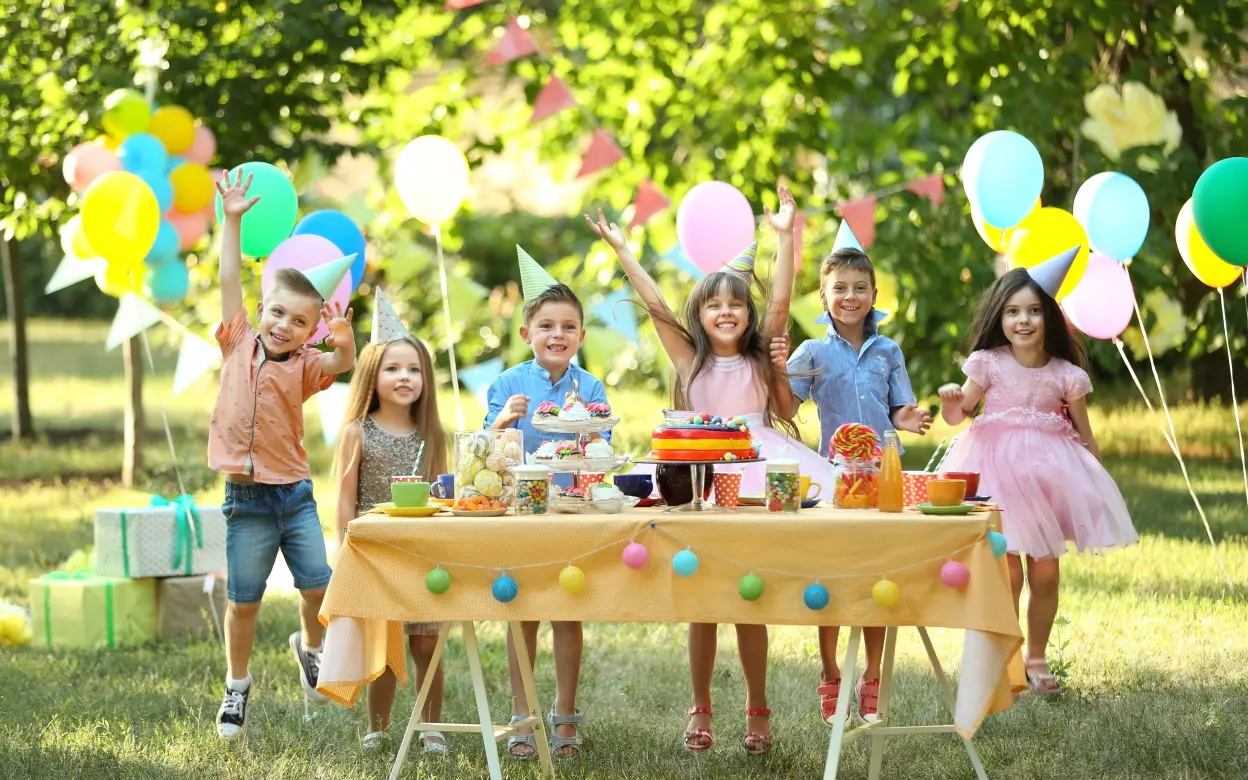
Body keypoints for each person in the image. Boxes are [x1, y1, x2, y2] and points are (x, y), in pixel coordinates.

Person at [586, 185, 823, 756]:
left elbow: (784, 299)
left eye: (736, 305)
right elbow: (656, 306)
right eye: (714, 304)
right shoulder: (689, 361)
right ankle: (699, 708)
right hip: (696, 474)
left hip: (755, 466)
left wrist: (786, 237)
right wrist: (622, 251)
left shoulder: (762, 356)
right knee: (701, 598)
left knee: (747, 592)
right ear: (701, 313)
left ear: (748, 315)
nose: (725, 312)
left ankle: (758, 709)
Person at [937, 249, 1137, 695]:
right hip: (996, 476)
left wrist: (1096, 484)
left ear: (1049, 317)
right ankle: (1005, 656)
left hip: (1048, 480)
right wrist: (953, 400)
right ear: (1000, 317)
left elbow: (1085, 435)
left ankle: (1037, 656)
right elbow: (960, 414)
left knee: (1046, 573)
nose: (1022, 321)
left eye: (1032, 311)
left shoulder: (1067, 375)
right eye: (1012, 312)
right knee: (1007, 572)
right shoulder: (987, 362)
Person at [209, 170, 357, 740]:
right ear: (262, 309)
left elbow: (342, 362)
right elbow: (228, 278)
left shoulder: (306, 367)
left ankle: (310, 646)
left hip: (294, 497)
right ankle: (236, 687)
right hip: (245, 500)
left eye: (299, 321)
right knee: (243, 600)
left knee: (317, 585)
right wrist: (233, 220)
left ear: (311, 328)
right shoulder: (238, 340)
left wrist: (341, 338)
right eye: (277, 313)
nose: (283, 326)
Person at [775, 228, 932, 726]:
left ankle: (872, 677)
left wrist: (911, 420)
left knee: (877, 578)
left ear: (874, 295)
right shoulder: (811, 353)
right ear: (824, 295)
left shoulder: (888, 350)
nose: (850, 296)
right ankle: (830, 676)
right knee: (831, 579)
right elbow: (785, 407)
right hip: (833, 479)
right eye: (839, 287)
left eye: (859, 287)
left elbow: (900, 409)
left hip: (883, 476)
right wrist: (780, 372)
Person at [484, 247, 608, 759]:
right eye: (546, 326)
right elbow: (488, 452)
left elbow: (599, 447)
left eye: (568, 327)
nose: (557, 335)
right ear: (527, 334)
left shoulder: (590, 386)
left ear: (580, 336)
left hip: (574, 509)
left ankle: (565, 714)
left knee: (567, 612)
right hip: (523, 511)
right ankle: (522, 714)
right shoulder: (507, 384)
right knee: (522, 614)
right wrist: (500, 423)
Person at [335, 288, 450, 753]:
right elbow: (344, 502)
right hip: (376, 556)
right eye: (393, 368)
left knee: (427, 646)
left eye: (414, 369)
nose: (404, 377)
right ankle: (377, 728)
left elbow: (445, 494)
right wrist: (347, 551)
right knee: (382, 650)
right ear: (372, 374)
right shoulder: (356, 432)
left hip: (424, 552)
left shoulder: (433, 434)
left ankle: (432, 727)